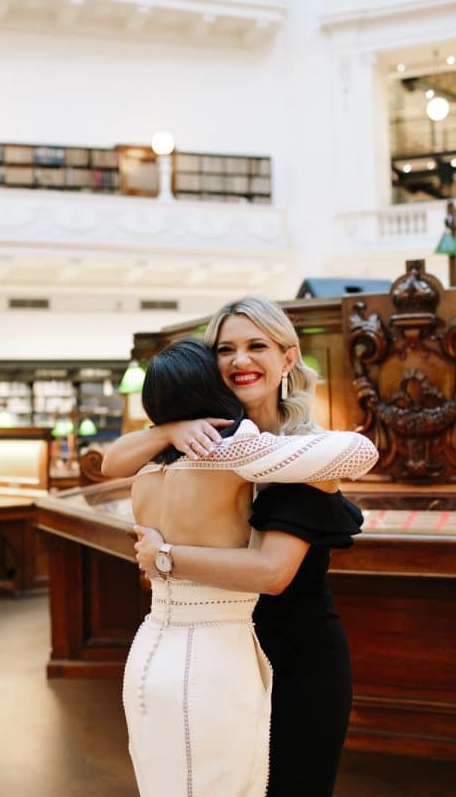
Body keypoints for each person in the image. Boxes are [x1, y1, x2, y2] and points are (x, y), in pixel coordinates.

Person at [103, 296, 370, 797]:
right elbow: (112, 461)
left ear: (288, 359)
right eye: (225, 349)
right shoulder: (198, 441)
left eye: (256, 346)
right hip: (217, 654)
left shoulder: (300, 451)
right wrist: (168, 428)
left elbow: (273, 572)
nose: (239, 360)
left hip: (296, 653)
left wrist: (164, 559)